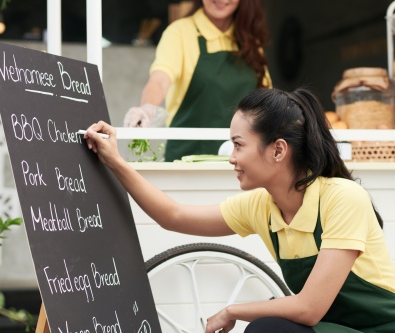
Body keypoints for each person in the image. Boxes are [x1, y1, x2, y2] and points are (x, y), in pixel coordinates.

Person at [82, 87, 395, 333]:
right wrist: (116, 161)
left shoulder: (342, 198)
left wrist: (233, 310)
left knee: (268, 327)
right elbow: (172, 216)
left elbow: (309, 308)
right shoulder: (262, 207)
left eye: (238, 145)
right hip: (332, 328)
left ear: (278, 150)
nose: (231, 157)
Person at [124, 0, 271, 162]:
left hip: (242, 164)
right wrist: (147, 108)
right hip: (187, 161)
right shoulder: (179, 32)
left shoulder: (250, 40)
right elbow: (159, 79)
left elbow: (267, 99)